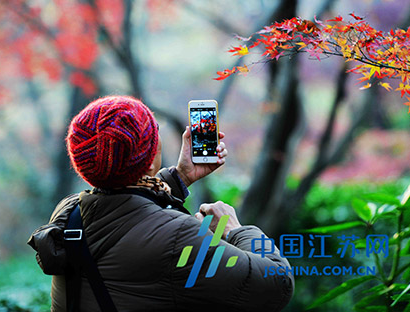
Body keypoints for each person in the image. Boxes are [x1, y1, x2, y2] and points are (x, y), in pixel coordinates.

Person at [30, 95, 294, 311]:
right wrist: (235, 230)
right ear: (152, 153)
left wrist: (178, 178)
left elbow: (127, 215)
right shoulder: (179, 236)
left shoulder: (70, 212)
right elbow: (276, 286)